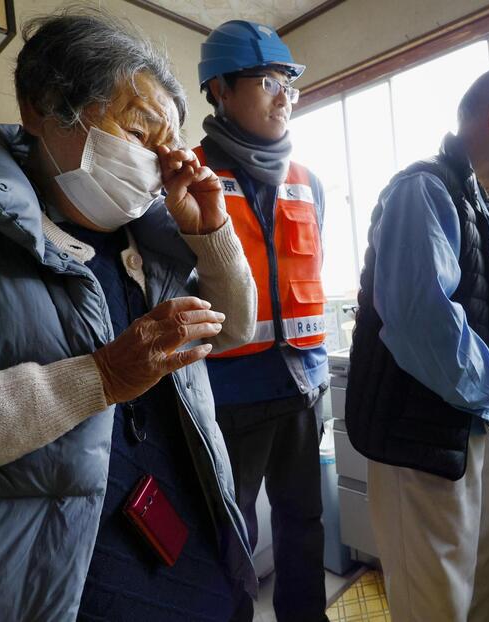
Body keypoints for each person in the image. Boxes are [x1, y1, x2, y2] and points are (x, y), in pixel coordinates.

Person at [0, 10, 259, 621]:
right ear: (45, 106)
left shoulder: (150, 236)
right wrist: (95, 379)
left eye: (169, 146)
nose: (161, 166)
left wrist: (212, 233)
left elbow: (232, 330)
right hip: (48, 588)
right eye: (140, 132)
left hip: (193, 555)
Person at [345, 66, 489, 621]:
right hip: (419, 437)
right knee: (435, 604)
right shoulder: (425, 190)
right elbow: (421, 323)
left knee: (476, 588)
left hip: (469, 427)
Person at [195, 20, 329, 622]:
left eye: (289, 84)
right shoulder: (185, 179)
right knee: (233, 536)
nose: (284, 96)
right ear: (221, 89)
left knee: (305, 523)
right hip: (229, 393)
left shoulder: (308, 182)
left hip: (302, 384)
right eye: (268, 81)